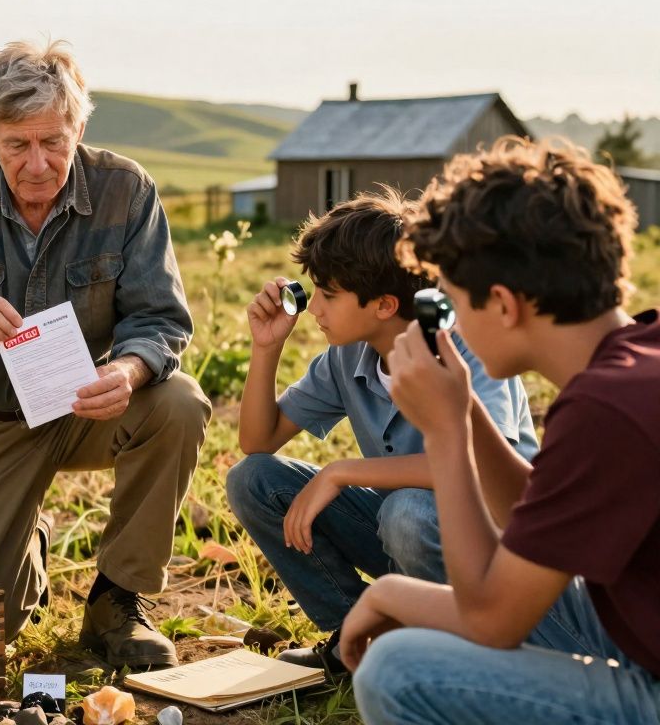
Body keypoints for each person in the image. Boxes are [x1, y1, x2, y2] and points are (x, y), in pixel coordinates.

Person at [0, 40, 211, 668]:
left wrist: (127, 370)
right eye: (16, 145)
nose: (37, 164)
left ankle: (118, 602)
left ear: (80, 127)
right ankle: (28, 540)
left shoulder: (126, 190)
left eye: (54, 141)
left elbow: (161, 317)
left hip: (90, 407)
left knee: (179, 403)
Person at [345, 137, 660, 724]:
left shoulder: (604, 410)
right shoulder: (637, 360)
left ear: (504, 304)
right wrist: (463, 411)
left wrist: (442, 436)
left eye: (455, 303)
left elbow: (492, 619)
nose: (452, 323)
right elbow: (532, 518)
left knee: (399, 670)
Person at [226, 188, 538, 676]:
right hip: (405, 535)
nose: (315, 309)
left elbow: (480, 472)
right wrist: (266, 349)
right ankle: (359, 641)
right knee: (253, 479)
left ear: (385, 304)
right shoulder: (347, 356)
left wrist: (343, 471)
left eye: (329, 295)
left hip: (495, 552)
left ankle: (456, 655)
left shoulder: (469, 350)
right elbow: (258, 443)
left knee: (406, 511)